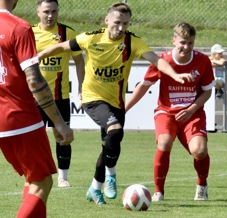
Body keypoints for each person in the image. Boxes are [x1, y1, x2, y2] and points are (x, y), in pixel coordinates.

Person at [38, 3, 193, 205]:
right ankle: (109, 177)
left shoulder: (132, 41)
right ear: (107, 20)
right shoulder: (91, 37)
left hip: (116, 102)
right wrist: (37, 57)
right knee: (115, 130)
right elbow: (61, 46)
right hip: (92, 98)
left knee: (112, 143)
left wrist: (175, 74)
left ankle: (96, 186)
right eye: (117, 23)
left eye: (125, 23)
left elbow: (155, 59)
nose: (121, 28)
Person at [124, 22, 215, 202]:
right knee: (164, 143)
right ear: (174, 40)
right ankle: (159, 192)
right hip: (166, 113)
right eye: (182, 42)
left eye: (190, 43)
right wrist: (124, 109)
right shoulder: (162, 61)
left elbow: (207, 91)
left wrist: (191, 110)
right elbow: (144, 86)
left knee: (199, 150)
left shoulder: (202, 61)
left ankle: (202, 185)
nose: (186, 47)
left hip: (192, 114)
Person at [0, 0, 74, 217]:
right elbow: (34, 81)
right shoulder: (18, 27)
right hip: (19, 116)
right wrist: (59, 122)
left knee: (33, 178)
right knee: (42, 182)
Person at [33, 0, 85, 188]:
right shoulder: (29, 33)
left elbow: (79, 61)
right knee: (35, 138)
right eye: (46, 11)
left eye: (54, 11)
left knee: (63, 136)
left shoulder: (67, 33)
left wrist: (81, 88)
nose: (50, 15)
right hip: (35, 97)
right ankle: (37, 173)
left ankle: (63, 177)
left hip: (60, 96)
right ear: (38, 11)